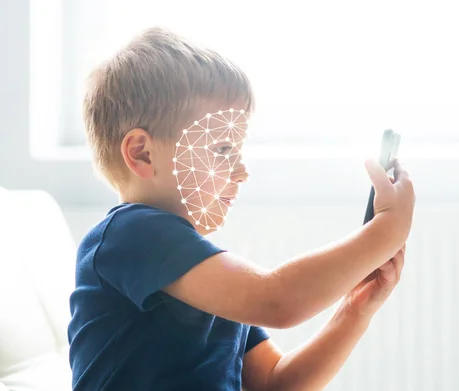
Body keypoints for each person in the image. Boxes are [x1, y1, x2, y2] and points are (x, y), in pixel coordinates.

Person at [67, 27, 415, 391]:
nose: (242, 170)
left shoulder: (203, 272)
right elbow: (277, 300)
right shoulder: (130, 235)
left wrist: (354, 310)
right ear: (142, 153)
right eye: (222, 149)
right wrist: (387, 229)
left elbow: (275, 383)